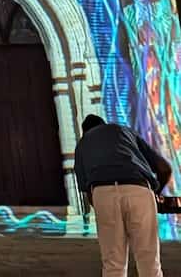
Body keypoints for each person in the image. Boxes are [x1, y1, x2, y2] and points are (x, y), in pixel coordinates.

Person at [73, 113, 172, 277]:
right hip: (138, 189)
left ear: (85, 132)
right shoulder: (124, 131)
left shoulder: (83, 144)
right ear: (104, 124)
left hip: (102, 193)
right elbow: (164, 169)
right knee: (149, 262)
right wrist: (155, 194)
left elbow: (87, 191)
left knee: (113, 265)